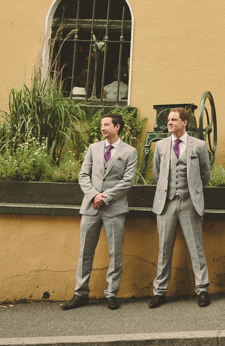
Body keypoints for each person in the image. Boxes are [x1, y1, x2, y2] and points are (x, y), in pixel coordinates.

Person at [61, 114, 138, 310]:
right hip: (90, 208)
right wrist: (94, 195)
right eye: (101, 125)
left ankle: (111, 293)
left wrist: (105, 197)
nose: (103, 128)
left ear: (117, 127)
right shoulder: (93, 148)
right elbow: (83, 175)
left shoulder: (129, 151)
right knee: (85, 252)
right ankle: (80, 293)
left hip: (114, 209)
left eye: (106, 124)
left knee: (115, 253)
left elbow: (127, 181)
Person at [149, 107, 212, 308]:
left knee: (196, 248)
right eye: (168, 119)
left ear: (185, 122)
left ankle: (202, 290)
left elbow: (205, 175)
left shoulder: (199, 146)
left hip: (189, 202)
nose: (169, 122)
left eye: (174, 119)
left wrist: (191, 191)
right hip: (166, 204)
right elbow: (157, 174)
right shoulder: (160, 146)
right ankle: (159, 292)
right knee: (164, 250)